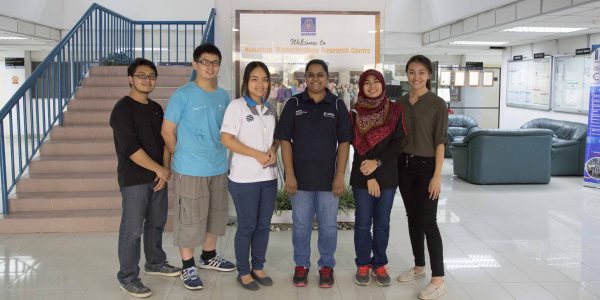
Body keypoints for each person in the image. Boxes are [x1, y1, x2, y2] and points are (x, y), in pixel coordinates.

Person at [161, 43, 236, 291]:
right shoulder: (182, 95)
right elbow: (167, 131)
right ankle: (187, 265)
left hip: (217, 166)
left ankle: (208, 256)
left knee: (215, 215)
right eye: (205, 62)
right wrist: (181, 154)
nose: (210, 67)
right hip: (190, 169)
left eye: (215, 62)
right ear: (195, 64)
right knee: (190, 219)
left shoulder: (223, 96)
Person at [275, 59, 352, 288]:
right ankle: (301, 265)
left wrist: (340, 176)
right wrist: (289, 174)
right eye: (311, 75)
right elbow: (284, 140)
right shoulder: (293, 104)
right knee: (300, 225)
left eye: (320, 75)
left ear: (327, 78)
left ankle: (326, 266)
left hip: (329, 180)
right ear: (305, 78)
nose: (315, 79)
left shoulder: (337, 105)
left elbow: (345, 142)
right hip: (300, 180)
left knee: (328, 225)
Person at [110, 58, 181, 298]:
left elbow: (164, 141)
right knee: (132, 230)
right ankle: (128, 276)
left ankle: (155, 262)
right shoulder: (122, 109)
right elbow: (130, 149)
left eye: (151, 76)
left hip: (157, 177)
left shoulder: (155, 108)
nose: (147, 80)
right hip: (134, 179)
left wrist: (165, 168)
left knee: (156, 222)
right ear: (130, 78)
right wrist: (159, 170)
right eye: (142, 76)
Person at [220, 61, 279, 291]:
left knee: (263, 225)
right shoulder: (237, 107)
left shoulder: (270, 108)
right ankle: (243, 271)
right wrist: (256, 154)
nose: (260, 84)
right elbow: (227, 139)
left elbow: (275, 138)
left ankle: (258, 266)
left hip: (268, 178)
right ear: (246, 82)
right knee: (247, 226)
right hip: (244, 179)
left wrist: (273, 150)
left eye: (265, 79)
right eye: (255, 79)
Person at [395, 55, 448, 300]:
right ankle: (419, 267)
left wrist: (437, 176)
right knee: (412, 218)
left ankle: (438, 279)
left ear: (429, 75)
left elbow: (440, 142)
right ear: (407, 74)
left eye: (421, 72)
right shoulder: (401, 103)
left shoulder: (437, 104)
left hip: (427, 166)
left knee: (428, 220)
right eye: (412, 72)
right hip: (404, 165)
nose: (416, 77)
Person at [349, 69, 405, 287]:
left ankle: (380, 263)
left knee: (382, 223)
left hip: (388, 175)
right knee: (363, 223)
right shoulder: (354, 112)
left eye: (376, 82)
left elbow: (398, 143)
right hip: (362, 175)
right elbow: (356, 143)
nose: (372, 86)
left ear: (383, 84)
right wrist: (370, 174)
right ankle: (363, 263)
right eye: (367, 83)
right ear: (361, 86)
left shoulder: (395, 110)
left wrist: (378, 164)